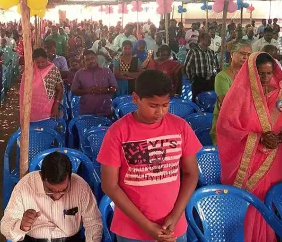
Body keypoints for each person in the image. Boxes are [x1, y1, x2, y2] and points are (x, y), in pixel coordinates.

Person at [98, 70, 201, 242]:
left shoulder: (181, 127)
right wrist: (146, 226)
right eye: (153, 106)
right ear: (136, 98)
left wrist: (176, 216)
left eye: (165, 105)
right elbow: (110, 185)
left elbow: (191, 174)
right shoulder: (118, 132)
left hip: (172, 226)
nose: (160, 112)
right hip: (131, 229)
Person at [216, 52, 282, 242]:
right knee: (244, 204)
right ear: (250, 72)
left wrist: (278, 138)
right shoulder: (238, 97)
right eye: (260, 73)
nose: (265, 78)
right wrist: (257, 138)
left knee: (266, 201)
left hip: (271, 161)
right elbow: (225, 129)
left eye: (268, 73)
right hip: (243, 162)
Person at [0, 151, 102, 242]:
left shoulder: (80, 186)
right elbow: (5, 228)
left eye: (63, 190)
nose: (57, 197)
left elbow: (93, 224)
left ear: (70, 178)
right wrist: (22, 226)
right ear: (41, 176)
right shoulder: (25, 185)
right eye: (50, 190)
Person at [209, 40, 252, 144]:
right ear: (232, 54)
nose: (246, 57)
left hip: (246, 122)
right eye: (242, 53)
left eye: (249, 54)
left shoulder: (252, 76)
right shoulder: (222, 76)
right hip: (226, 122)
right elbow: (226, 102)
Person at [21, 48, 64, 122]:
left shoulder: (53, 70)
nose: (40, 64)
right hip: (31, 109)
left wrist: (56, 105)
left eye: (43, 62)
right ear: (34, 61)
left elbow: (60, 89)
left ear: (47, 59)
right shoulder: (29, 71)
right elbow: (24, 90)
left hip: (48, 109)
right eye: (38, 62)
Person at [71, 50, 117, 117]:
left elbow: (115, 88)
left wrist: (102, 90)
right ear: (84, 62)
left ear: (96, 58)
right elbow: (74, 90)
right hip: (86, 112)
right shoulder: (79, 73)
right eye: (87, 59)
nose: (91, 61)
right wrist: (87, 90)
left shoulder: (107, 71)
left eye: (92, 58)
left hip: (105, 110)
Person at [184, 33, 220, 101]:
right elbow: (187, 68)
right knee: (197, 101)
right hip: (199, 81)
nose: (210, 40)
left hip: (211, 81)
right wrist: (193, 79)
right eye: (207, 38)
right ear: (201, 39)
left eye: (210, 39)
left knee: (210, 100)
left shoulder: (211, 52)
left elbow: (217, 67)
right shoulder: (193, 51)